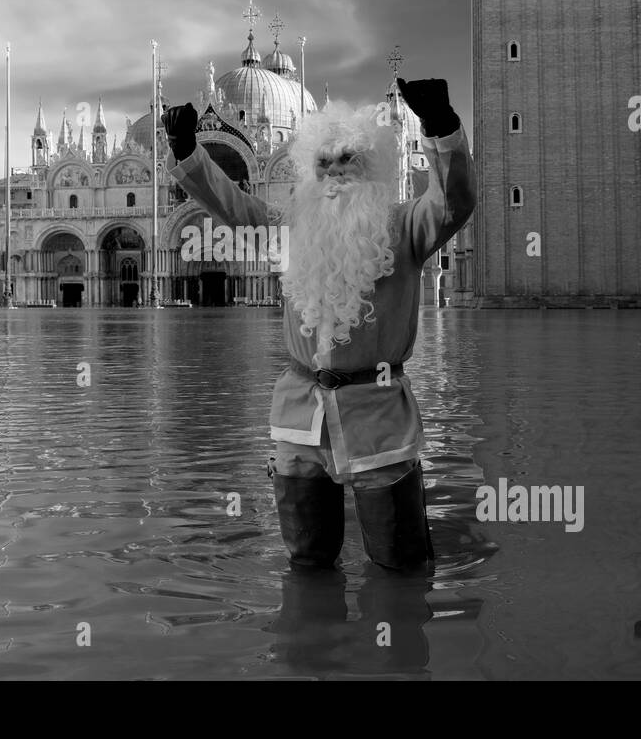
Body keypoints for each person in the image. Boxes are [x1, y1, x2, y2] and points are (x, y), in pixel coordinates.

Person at [163, 78, 476, 571]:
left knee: (400, 560)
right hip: (298, 416)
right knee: (306, 560)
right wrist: (187, 152)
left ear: (370, 168)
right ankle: (312, 644)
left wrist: (442, 127)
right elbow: (231, 203)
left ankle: (396, 635)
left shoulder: (405, 227)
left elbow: (455, 203)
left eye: (346, 160)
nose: (333, 173)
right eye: (322, 164)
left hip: (378, 418)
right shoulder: (287, 228)